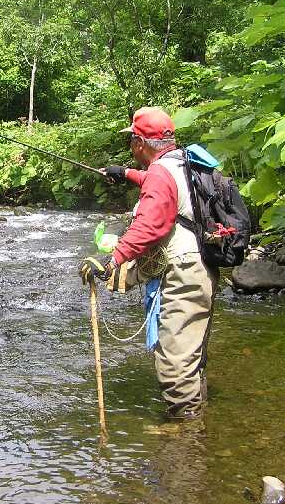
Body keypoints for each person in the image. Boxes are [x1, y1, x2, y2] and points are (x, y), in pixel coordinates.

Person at [79, 107, 218, 419]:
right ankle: (197, 422)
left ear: (140, 143)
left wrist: (111, 261)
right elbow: (164, 187)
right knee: (192, 353)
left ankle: (183, 434)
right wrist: (125, 173)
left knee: (175, 360)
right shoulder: (183, 161)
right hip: (202, 266)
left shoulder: (160, 174)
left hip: (183, 271)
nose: (131, 147)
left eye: (132, 141)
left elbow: (149, 227)